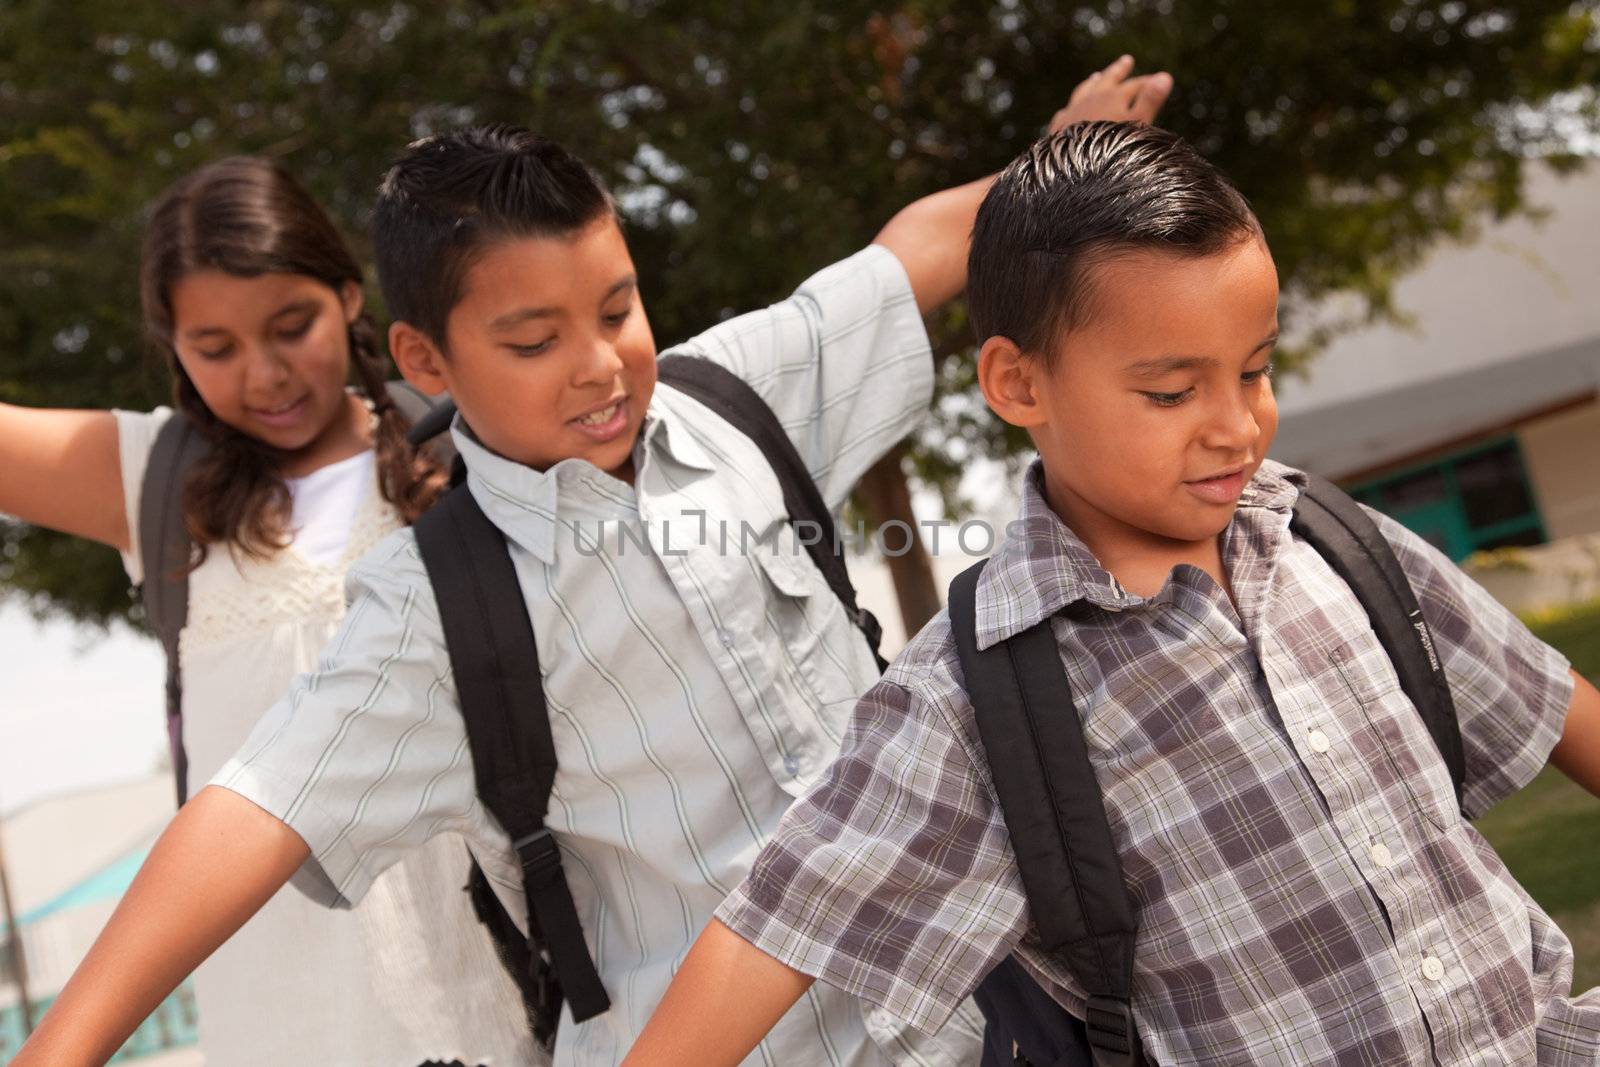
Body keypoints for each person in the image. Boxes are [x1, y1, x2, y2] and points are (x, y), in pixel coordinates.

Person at [9, 59, 1175, 1067]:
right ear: (425, 353)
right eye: (531, 340)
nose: (598, 366)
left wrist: (1052, 163)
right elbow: (247, 812)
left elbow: (898, 260)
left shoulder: (730, 401)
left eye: (616, 309)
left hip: (969, 1022)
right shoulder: (433, 603)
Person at [621, 121, 1600, 1067]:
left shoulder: (1333, 541)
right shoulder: (976, 695)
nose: (1234, 426)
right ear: (1016, 382)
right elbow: (778, 927)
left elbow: (1556, 705)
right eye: (1172, 393)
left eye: (1254, 370)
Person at [0, 157, 537, 1065]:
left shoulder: (471, 457)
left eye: (293, 326)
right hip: (274, 1023)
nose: (266, 373)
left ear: (348, 296)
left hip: (489, 1002)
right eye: (215, 349)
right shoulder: (153, 483)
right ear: (174, 347)